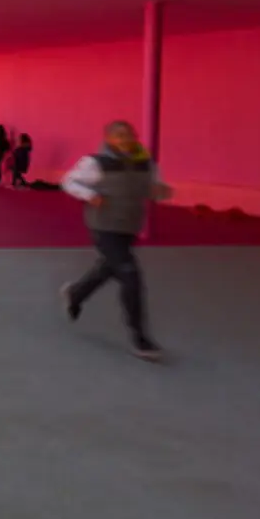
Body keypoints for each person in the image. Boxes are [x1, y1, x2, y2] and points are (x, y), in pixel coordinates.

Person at [61, 120, 171, 361]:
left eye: (129, 134)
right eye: (119, 135)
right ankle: (140, 338)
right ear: (109, 139)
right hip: (104, 226)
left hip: (129, 225)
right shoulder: (96, 163)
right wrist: (90, 195)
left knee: (108, 268)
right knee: (130, 275)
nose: (126, 139)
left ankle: (76, 293)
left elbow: (154, 187)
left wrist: (160, 191)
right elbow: (69, 181)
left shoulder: (146, 163)